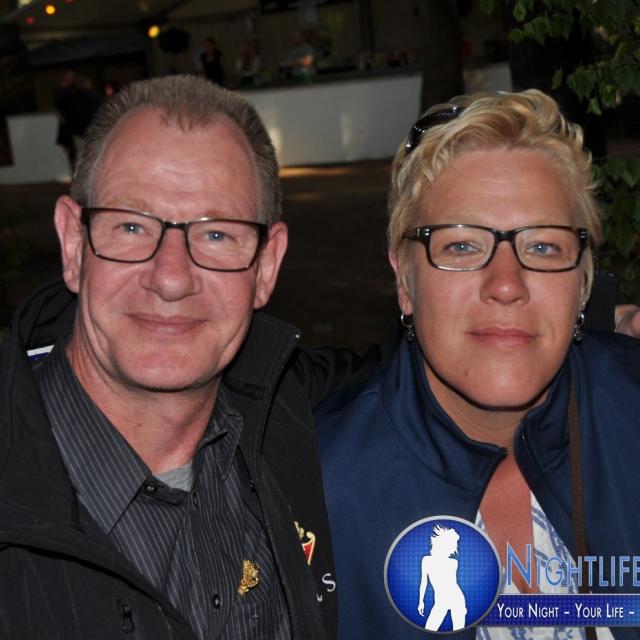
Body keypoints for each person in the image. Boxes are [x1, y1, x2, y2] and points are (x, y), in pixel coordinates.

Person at [0, 75, 335, 639]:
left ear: (266, 265)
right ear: (74, 245)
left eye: (217, 235)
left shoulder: (298, 429)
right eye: (132, 226)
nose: (172, 278)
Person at [316, 90, 640, 639]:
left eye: (543, 247)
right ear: (404, 280)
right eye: (462, 246)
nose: (506, 284)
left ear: (584, 281)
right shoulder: (313, 488)